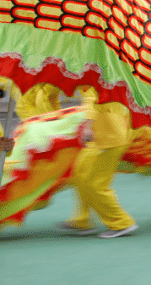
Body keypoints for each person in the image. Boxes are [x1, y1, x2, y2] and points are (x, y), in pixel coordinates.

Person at [57, 89, 139, 238]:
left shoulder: (92, 75)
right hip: (101, 138)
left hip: (109, 140)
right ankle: (82, 221)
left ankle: (121, 223)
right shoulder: (90, 75)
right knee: (79, 174)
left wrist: (88, 128)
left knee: (95, 184)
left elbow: (92, 100)